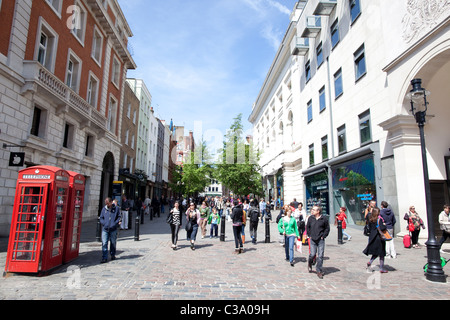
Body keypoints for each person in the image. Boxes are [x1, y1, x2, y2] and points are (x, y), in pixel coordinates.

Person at [306, 206, 330, 279]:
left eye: (314, 210)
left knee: (320, 256)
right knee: (312, 254)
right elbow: (308, 227)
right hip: (312, 239)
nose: (312, 211)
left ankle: (319, 270)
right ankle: (310, 263)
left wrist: (323, 236)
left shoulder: (324, 219)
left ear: (318, 211)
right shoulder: (311, 218)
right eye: (312, 209)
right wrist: (309, 235)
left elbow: (327, 228)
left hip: (320, 239)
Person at [363, 207, 388, 273]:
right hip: (379, 237)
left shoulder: (370, 219)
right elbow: (382, 228)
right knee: (381, 253)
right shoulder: (379, 219)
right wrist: (385, 225)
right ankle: (381, 268)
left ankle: (370, 262)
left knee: (376, 252)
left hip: (372, 236)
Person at [99, 197, 122, 263]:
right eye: (106, 204)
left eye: (108, 204)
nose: (107, 205)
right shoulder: (104, 209)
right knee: (104, 243)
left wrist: (115, 223)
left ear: (111, 202)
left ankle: (112, 255)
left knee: (113, 242)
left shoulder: (116, 209)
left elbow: (119, 217)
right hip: (105, 229)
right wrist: (104, 223)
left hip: (113, 229)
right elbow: (101, 218)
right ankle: (104, 257)